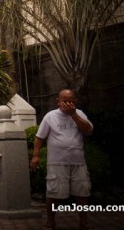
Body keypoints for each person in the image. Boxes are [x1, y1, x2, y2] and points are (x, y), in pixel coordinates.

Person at [30, 89, 93, 230]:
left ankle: (84, 223)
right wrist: (35, 155)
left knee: (82, 193)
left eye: (70, 100)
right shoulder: (50, 116)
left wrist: (74, 115)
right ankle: (50, 222)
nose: (67, 103)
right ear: (58, 102)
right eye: (64, 101)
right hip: (57, 162)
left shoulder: (80, 114)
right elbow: (40, 137)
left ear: (75, 101)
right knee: (53, 194)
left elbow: (88, 131)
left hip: (78, 162)